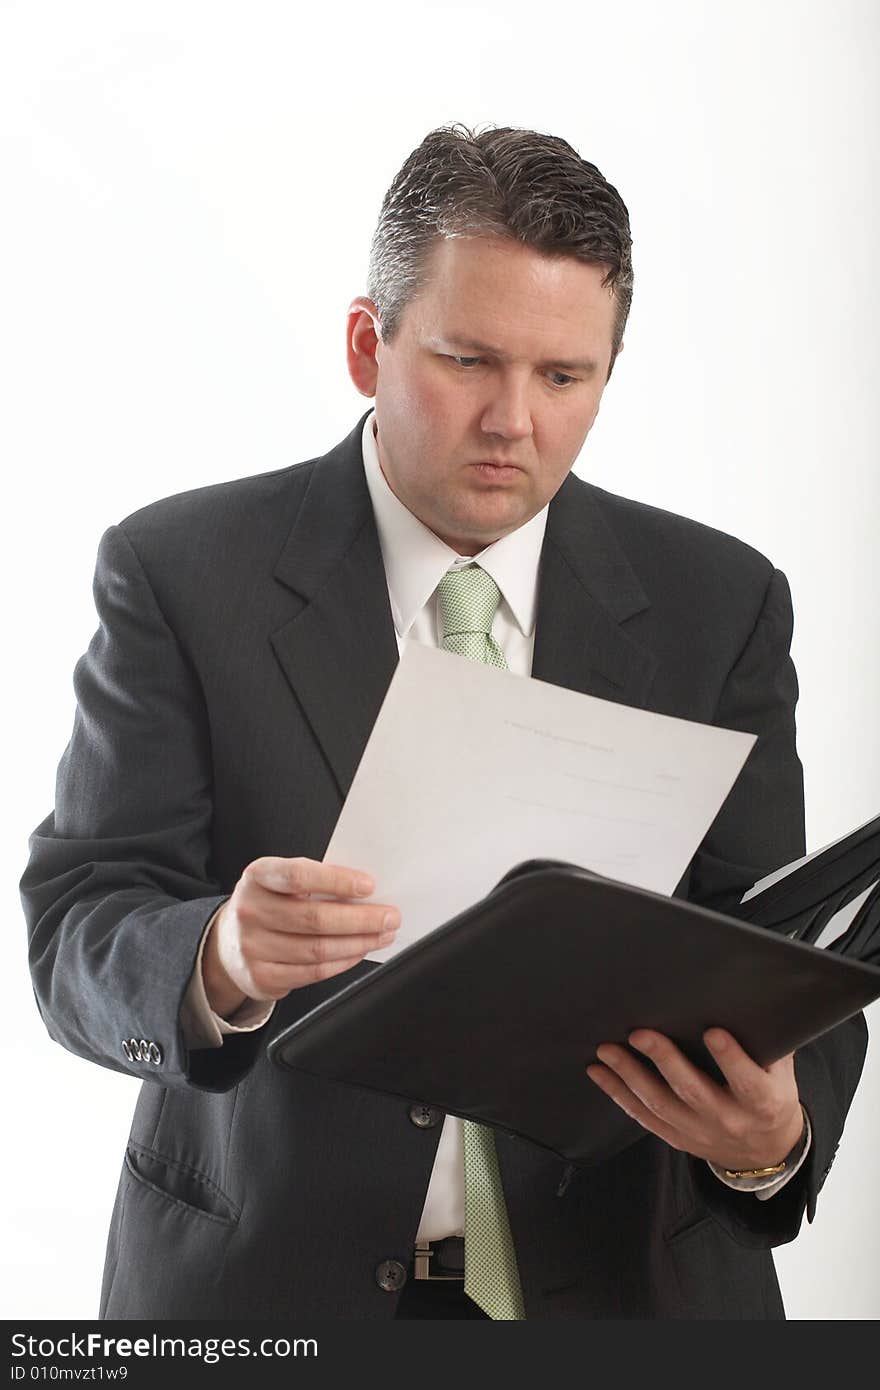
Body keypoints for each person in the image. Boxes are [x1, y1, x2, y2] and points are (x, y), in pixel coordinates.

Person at [21, 123, 867, 1321]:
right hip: (264, 1289)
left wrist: (769, 1134)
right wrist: (218, 956)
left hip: (632, 1286)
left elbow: (780, 944)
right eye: (469, 361)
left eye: (564, 377)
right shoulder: (177, 570)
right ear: (368, 344)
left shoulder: (720, 601)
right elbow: (78, 924)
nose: (514, 421)